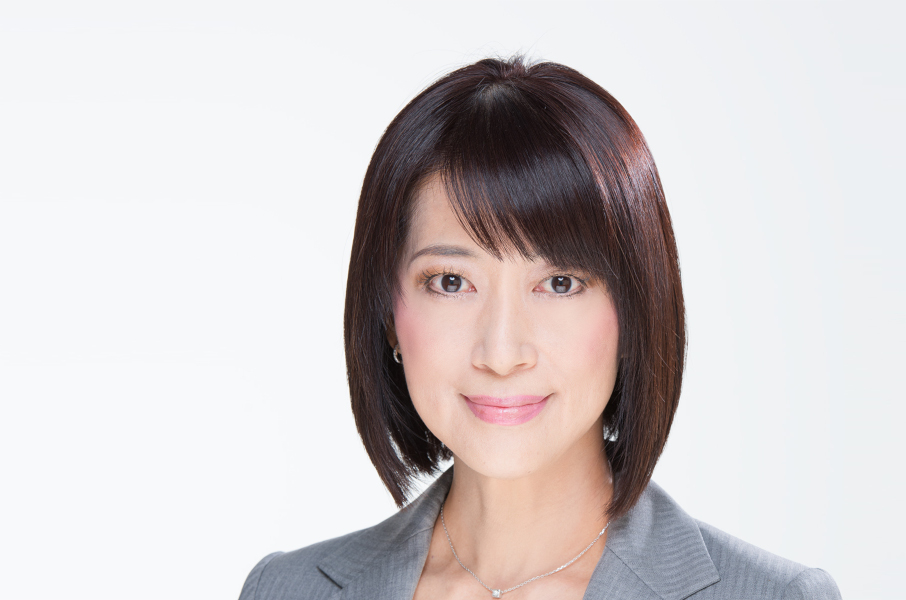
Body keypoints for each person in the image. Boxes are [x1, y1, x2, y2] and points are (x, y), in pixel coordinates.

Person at [238, 56, 841, 600]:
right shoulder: (284, 590)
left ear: (635, 311)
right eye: (451, 282)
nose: (501, 353)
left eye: (560, 283)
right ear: (387, 314)